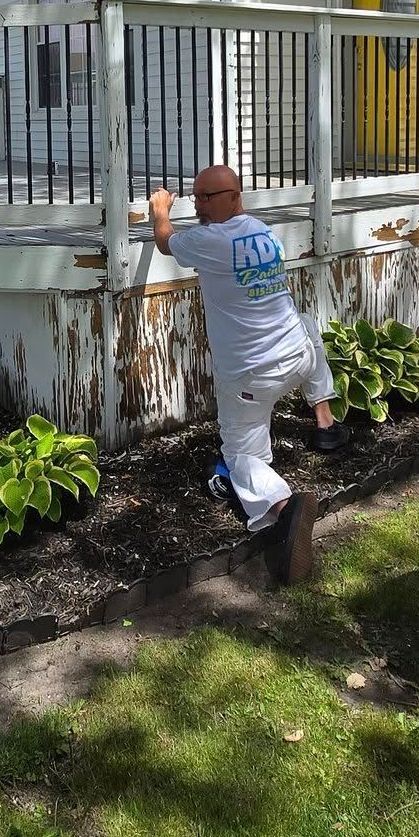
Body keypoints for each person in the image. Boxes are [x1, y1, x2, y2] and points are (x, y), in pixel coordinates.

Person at [147, 163, 348, 582]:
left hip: (252, 377)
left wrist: (161, 209)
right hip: (297, 358)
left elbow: (166, 242)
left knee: (240, 456)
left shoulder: (207, 240)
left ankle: (283, 507)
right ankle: (325, 421)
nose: (199, 204)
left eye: (209, 197)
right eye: (196, 196)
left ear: (235, 196)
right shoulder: (261, 230)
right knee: (309, 323)